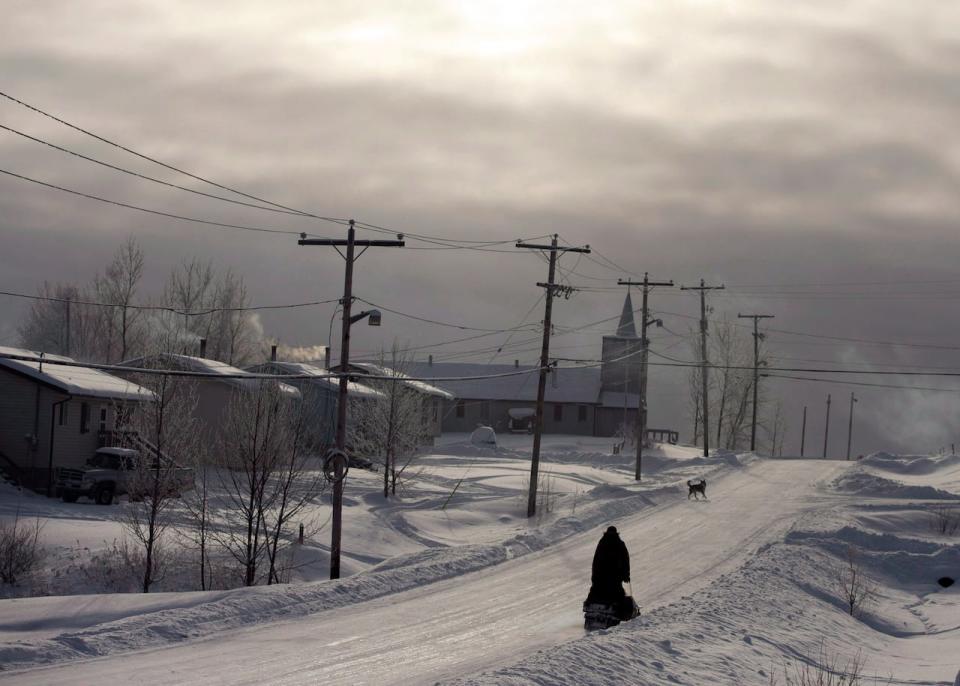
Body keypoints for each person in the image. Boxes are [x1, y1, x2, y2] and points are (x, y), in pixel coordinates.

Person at [585, 525, 631, 606]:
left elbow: (596, 560)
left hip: (602, 574)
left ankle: (593, 605)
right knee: (616, 591)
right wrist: (626, 574)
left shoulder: (602, 543)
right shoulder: (619, 544)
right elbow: (625, 560)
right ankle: (615, 608)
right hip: (615, 574)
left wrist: (594, 575)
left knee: (598, 590)